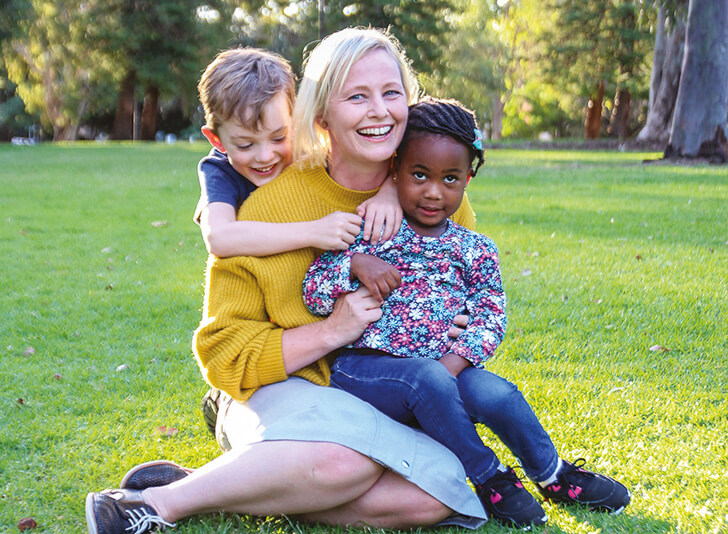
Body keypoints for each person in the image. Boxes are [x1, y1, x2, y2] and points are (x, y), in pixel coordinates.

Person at [85, 28, 485, 534]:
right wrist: (331, 330)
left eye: (391, 93)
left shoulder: (430, 194)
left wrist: (458, 325)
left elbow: (467, 301)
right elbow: (225, 353)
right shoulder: (265, 206)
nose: (380, 111)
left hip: (384, 397)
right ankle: (156, 504)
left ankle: (242, 484)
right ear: (319, 114)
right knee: (350, 462)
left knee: (435, 495)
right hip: (273, 386)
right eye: (357, 96)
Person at [302, 98, 632, 530]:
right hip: (367, 371)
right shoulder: (372, 228)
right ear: (396, 169)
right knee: (425, 379)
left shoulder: (474, 248)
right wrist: (353, 265)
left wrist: (452, 365)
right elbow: (314, 291)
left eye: (450, 179)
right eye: (419, 175)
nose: (434, 191)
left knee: (499, 394)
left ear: (467, 179)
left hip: (446, 369)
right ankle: (488, 476)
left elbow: (490, 315)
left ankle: (554, 474)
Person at [193, 47, 401, 259]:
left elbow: (393, 159)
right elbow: (218, 238)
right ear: (216, 140)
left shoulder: (307, 149)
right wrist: (314, 231)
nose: (265, 156)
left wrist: (390, 191)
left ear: (296, 120)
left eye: (278, 138)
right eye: (245, 145)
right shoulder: (220, 171)